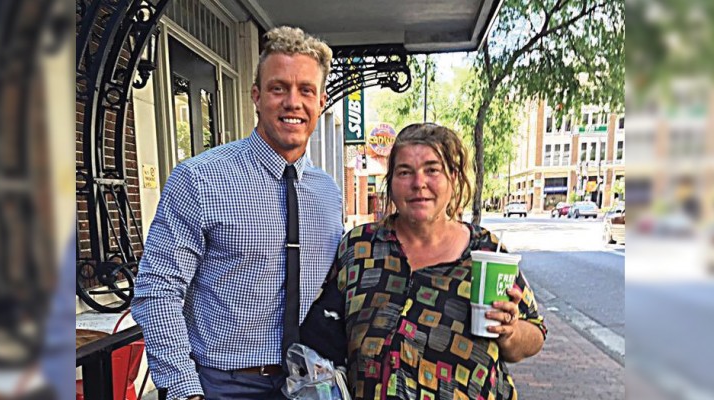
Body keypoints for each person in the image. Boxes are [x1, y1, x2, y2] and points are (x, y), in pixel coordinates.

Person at [132, 26, 343, 400]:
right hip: (223, 385)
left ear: (321, 101)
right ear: (257, 97)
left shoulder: (328, 192)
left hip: (309, 382)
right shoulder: (199, 179)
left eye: (306, 90)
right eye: (279, 88)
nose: (293, 102)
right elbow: (158, 289)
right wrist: (185, 389)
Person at [301, 123, 547, 399]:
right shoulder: (360, 248)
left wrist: (510, 332)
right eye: (405, 172)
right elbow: (323, 329)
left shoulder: (487, 254)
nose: (419, 183)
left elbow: (535, 334)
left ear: (453, 178)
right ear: (391, 182)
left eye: (432, 170)